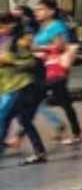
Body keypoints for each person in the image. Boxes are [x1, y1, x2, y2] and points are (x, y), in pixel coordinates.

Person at [0, 13, 48, 164]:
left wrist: (11, 62)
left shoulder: (19, 42)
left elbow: (31, 63)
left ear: (10, 25)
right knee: (24, 120)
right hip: (12, 86)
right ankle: (40, 153)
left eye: (2, 26)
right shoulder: (7, 42)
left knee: (5, 117)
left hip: (23, 86)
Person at [31, 0, 81, 145]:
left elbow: (59, 46)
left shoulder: (56, 26)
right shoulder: (42, 27)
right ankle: (75, 132)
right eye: (37, 9)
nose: (37, 12)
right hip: (45, 70)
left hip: (56, 69)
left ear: (51, 11)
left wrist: (38, 49)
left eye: (41, 9)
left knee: (36, 99)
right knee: (64, 102)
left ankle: (20, 136)